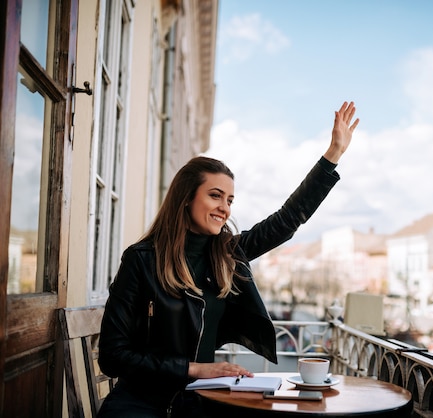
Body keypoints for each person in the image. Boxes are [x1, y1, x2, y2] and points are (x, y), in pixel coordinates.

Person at [97, 101, 360, 417]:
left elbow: (287, 219)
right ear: (185, 199)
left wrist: (332, 156)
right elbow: (112, 357)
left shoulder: (227, 255)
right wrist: (194, 369)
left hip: (198, 403)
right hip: (140, 403)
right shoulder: (141, 260)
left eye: (230, 199)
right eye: (215, 195)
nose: (225, 207)